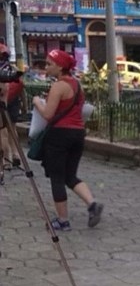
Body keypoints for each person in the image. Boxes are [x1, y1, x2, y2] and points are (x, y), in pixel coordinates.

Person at [31, 49, 103, 231]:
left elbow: (48, 114)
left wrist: (37, 102)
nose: (46, 67)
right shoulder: (77, 84)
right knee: (70, 175)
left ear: (60, 66)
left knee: (57, 177)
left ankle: (63, 220)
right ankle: (92, 203)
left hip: (59, 135)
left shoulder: (59, 86)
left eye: (49, 64)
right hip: (78, 133)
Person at [0, 44, 23, 169]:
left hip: (4, 101)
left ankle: (5, 160)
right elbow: (21, 85)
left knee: (2, 132)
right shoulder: (12, 69)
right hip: (14, 102)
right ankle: (16, 155)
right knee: (13, 130)